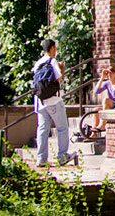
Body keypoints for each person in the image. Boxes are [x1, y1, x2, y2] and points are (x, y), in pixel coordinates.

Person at [32, 39, 76, 167]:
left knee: (42, 130)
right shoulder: (52, 61)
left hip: (40, 102)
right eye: (55, 48)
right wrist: (62, 68)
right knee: (62, 128)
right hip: (54, 101)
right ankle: (62, 156)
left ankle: (41, 159)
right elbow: (58, 78)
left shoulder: (38, 63)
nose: (55, 51)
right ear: (51, 48)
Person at [89, 61, 115, 134]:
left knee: (105, 100)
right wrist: (102, 77)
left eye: (111, 73)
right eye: (108, 73)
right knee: (95, 110)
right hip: (109, 108)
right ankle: (93, 134)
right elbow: (96, 91)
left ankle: (102, 124)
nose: (109, 75)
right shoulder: (107, 83)